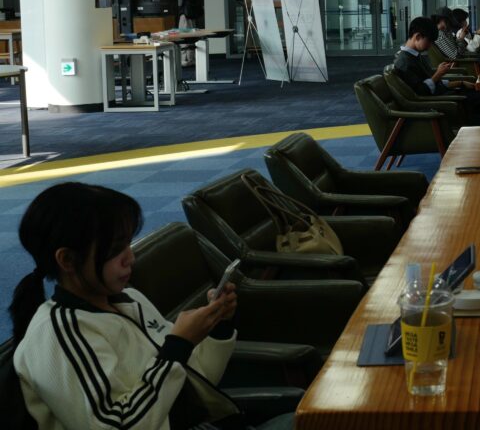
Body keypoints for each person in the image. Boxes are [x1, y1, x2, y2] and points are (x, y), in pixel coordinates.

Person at [10, 182, 292, 430]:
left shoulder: (130, 300)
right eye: (115, 250)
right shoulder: (58, 336)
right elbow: (119, 424)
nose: (130, 258)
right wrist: (177, 346)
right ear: (67, 260)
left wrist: (217, 326)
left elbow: (195, 381)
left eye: (128, 244)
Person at [393, 17, 480, 125]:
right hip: (442, 102)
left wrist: (459, 82)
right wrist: (438, 74)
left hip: (445, 95)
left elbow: (430, 82)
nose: (430, 46)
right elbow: (421, 92)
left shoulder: (414, 56)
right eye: (429, 41)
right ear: (418, 37)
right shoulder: (405, 62)